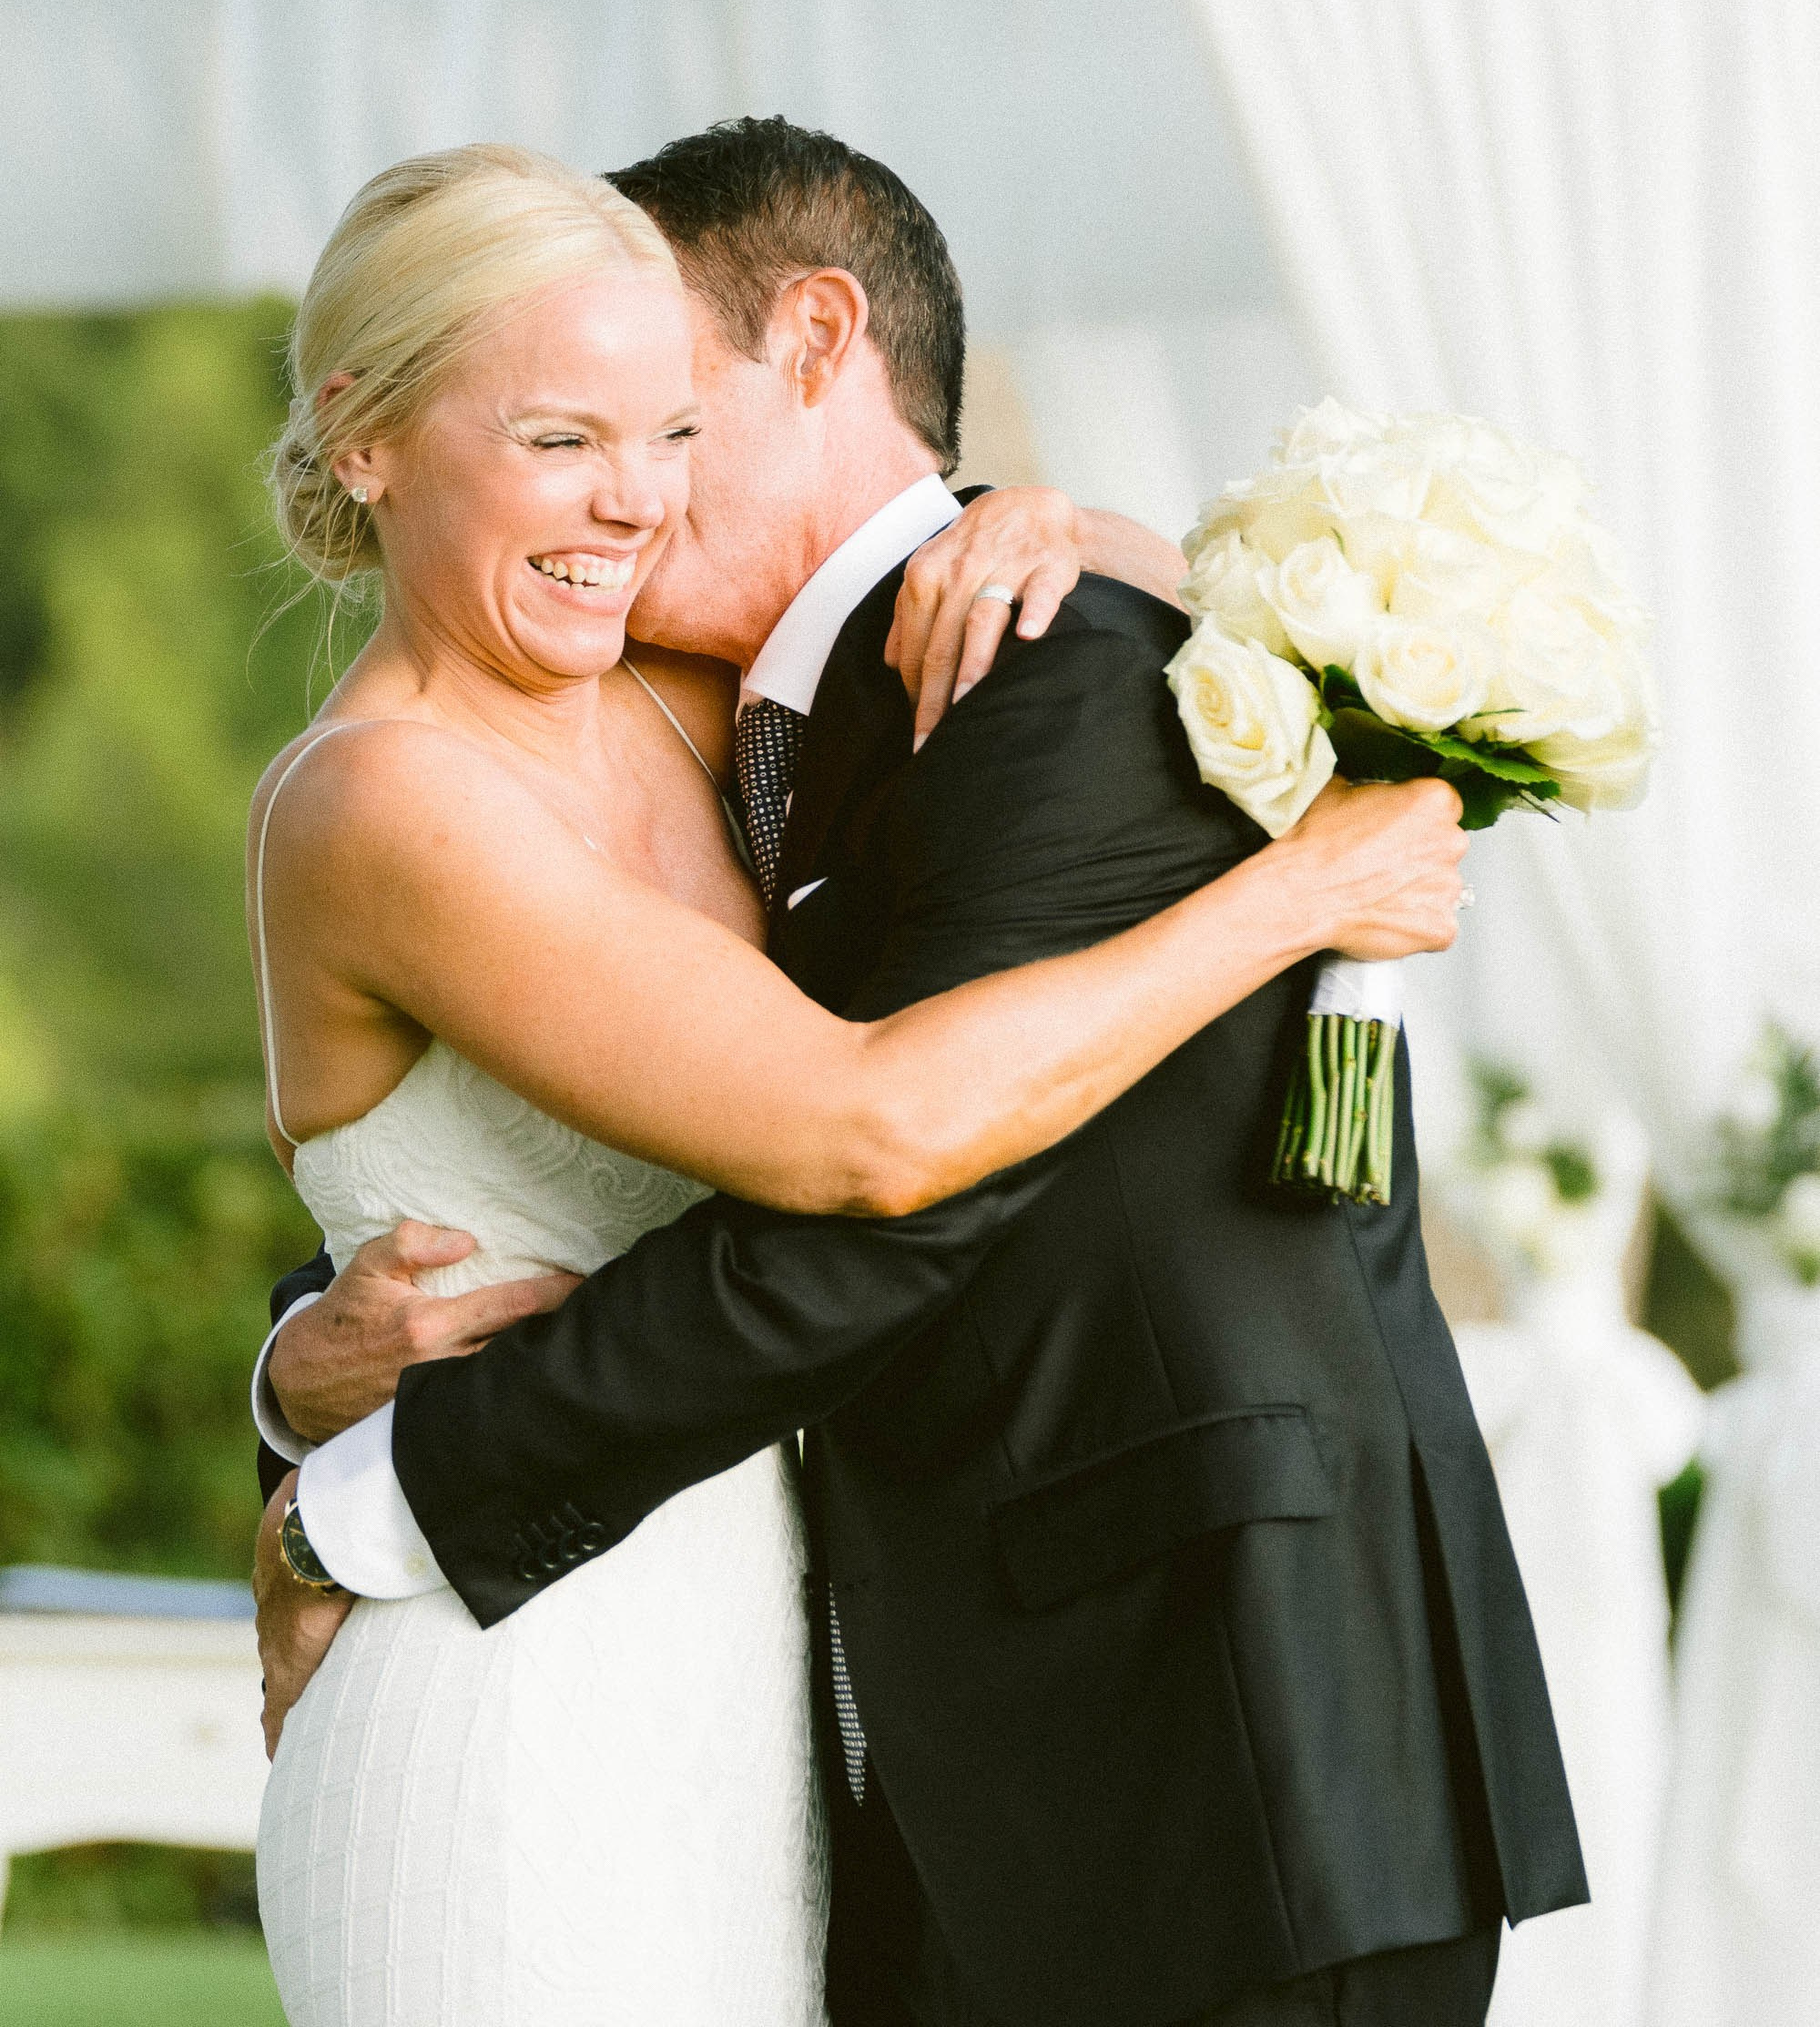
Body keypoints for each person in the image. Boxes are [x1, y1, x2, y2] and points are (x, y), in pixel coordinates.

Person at [249, 124, 1566, 2027]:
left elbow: (880, 1182)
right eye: (566, 431)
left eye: (671, 425)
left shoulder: (1020, 665)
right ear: (370, 439)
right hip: (728, 1713)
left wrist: (1064, 527)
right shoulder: (637, 718)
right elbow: (752, 1138)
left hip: (1228, 1752)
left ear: (815, 340)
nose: (633, 495)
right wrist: (304, 1373)